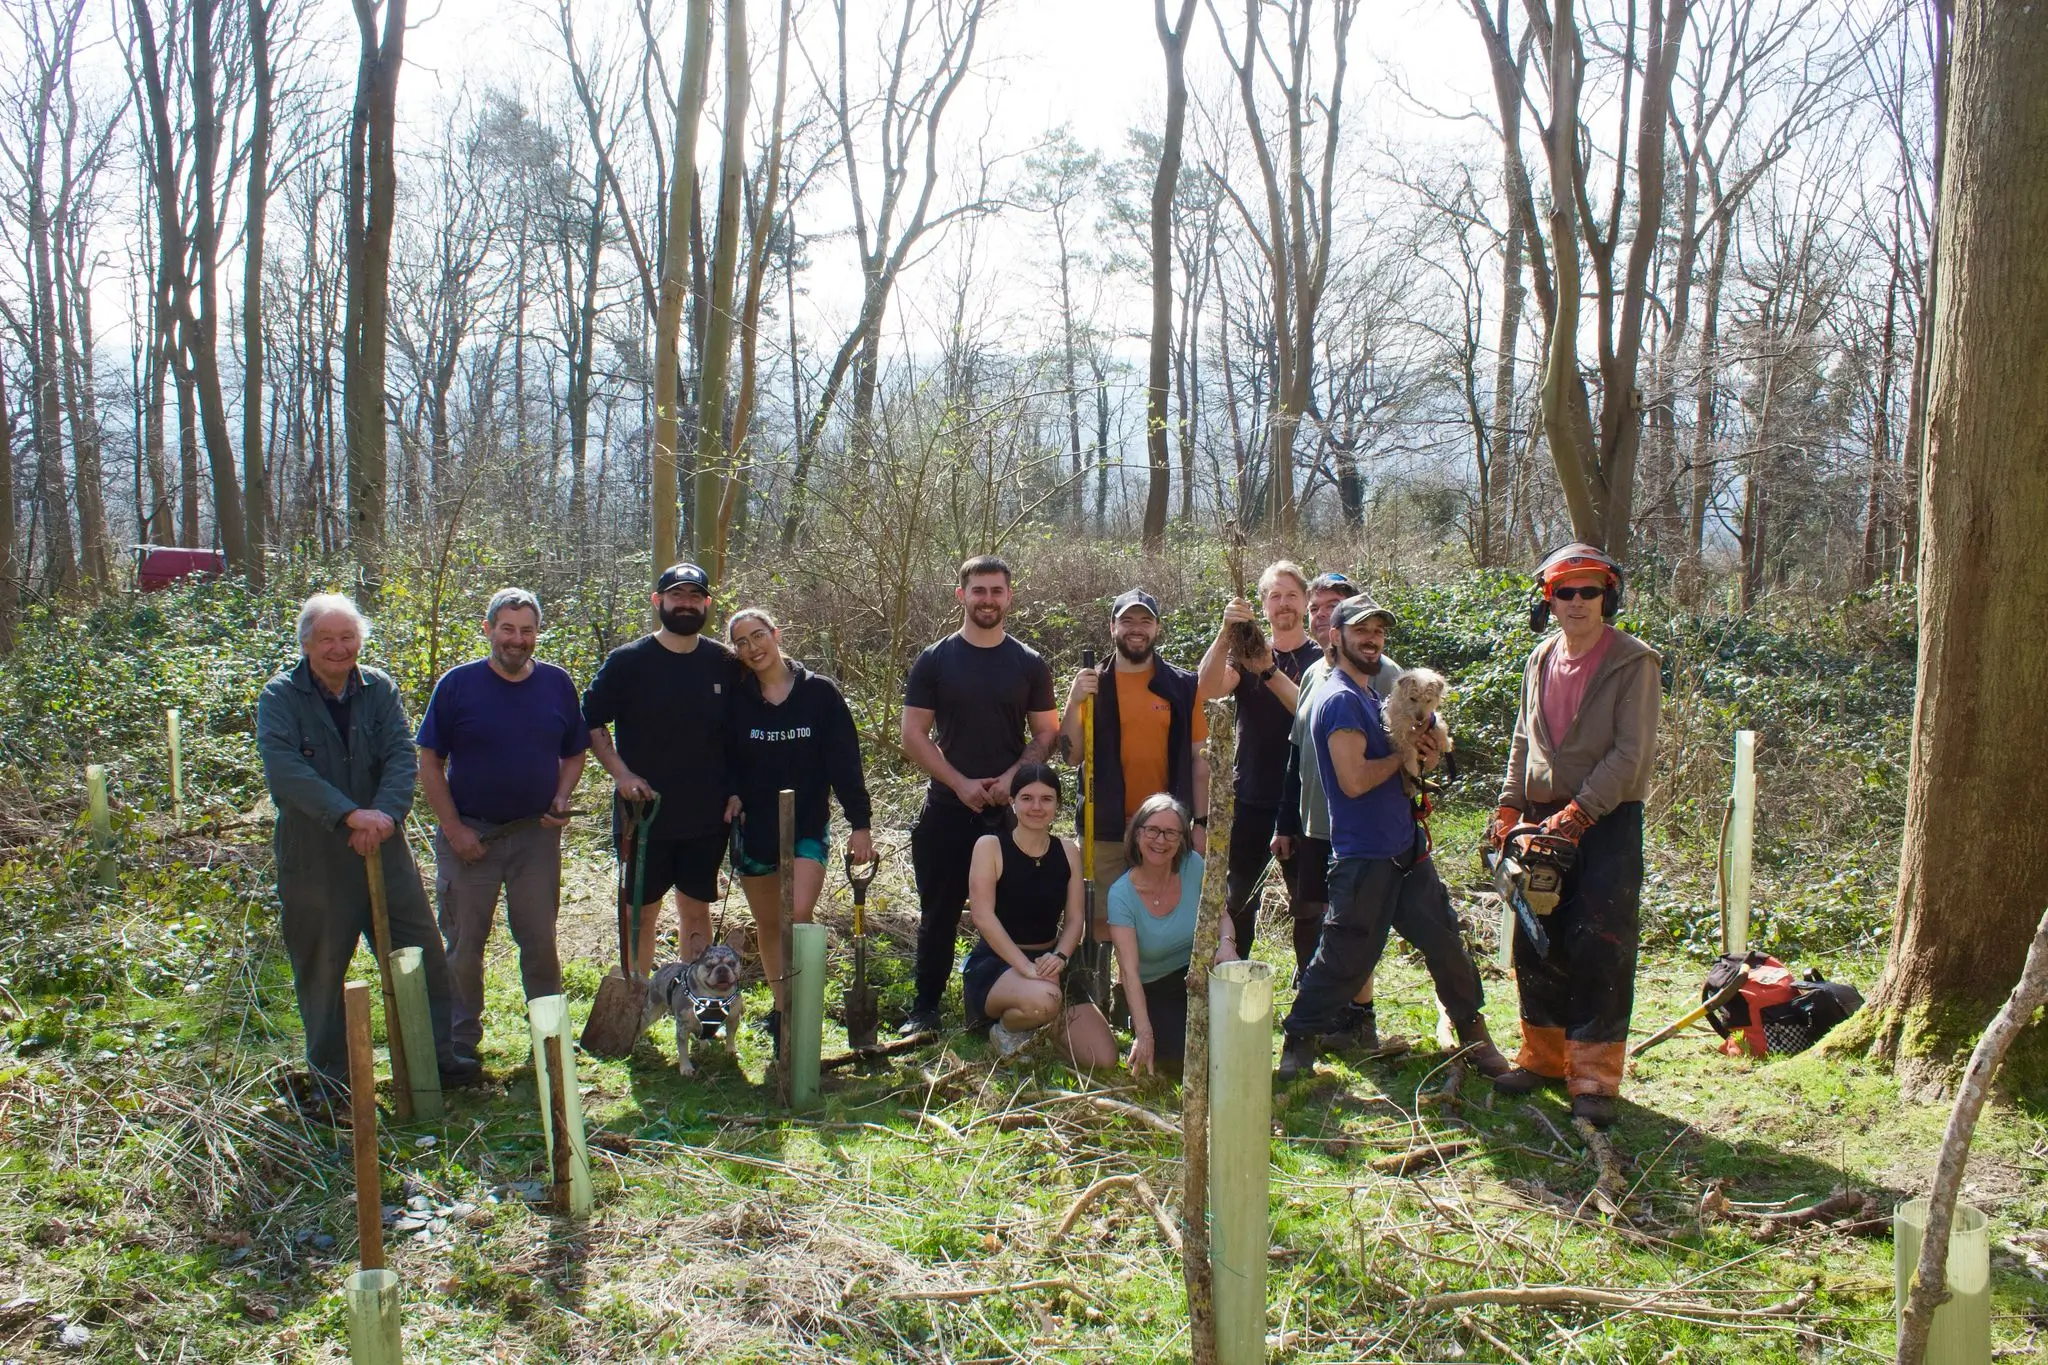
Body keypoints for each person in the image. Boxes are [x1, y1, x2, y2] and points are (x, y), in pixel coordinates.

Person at [1277, 598, 1509, 1081]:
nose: (1373, 639)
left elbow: (1406, 767)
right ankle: (1298, 1047)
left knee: (1445, 941)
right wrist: (1403, 754)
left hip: (1405, 849)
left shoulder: (1370, 695)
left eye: (1379, 631)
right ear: (1335, 636)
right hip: (1364, 856)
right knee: (1343, 956)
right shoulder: (1338, 697)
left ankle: (1473, 1032)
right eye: (1361, 630)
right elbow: (1355, 779)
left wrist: (1421, 756)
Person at [255, 593, 471, 1112]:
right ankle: (334, 1087)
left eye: (348, 637)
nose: (338, 648)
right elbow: (285, 771)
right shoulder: (280, 696)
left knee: (418, 954)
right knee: (323, 968)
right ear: (306, 643)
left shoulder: (379, 688)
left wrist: (385, 815)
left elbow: (402, 754)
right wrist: (351, 815)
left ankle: (434, 1063)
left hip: (385, 849)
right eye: (327, 638)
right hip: (316, 857)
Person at [1489, 544, 1660, 1128]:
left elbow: (1631, 754)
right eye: (1567, 591)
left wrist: (1580, 814)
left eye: (1590, 591)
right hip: (1541, 813)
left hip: (1606, 821)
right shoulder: (1539, 658)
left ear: (1608, 597)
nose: (1579, 602)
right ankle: (1542, 1057)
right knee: (1537, 940)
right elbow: (1522, 740)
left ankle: (1594, 1076)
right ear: (1550, 600)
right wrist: (1511, 805)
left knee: (1599, 942)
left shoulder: (1633, 662)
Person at [416, 588, 587, 1066]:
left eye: (527, 630)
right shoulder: (458, 685)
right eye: (507, 629)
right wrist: (453, 829)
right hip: (472, 835)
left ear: (537, 634)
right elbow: (430, 761)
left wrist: (560, 797)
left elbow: (574, 752)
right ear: (488, 630)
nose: (517, 639)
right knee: (464, 944)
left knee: (539, 940)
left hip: (535, 834)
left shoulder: (556, 684)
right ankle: (460, 1045)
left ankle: (549, 1042)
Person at [899, 555, 1060, 1034]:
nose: (987, 599)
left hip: (1012, 816)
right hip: (949, 809)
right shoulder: (935, 660)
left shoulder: (1029, 663)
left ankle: (999, 1001)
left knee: (1012, 913)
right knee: (939, 914)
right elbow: (913, 734)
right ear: (961, 596)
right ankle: (925, 1010)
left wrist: (1013, 779)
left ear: (1009, 597)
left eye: (996, 591)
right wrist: (960, 783)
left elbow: (1046, 734)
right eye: (978, 590)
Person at [582, 563, 744, 974]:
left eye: (695, 596)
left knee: (696, 910)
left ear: (707, 604)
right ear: (659, 601)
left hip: (706, 817)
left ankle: (700, 1005)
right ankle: (635, 1003)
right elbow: (591, 720)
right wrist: (621, 775)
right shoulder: (628, 662)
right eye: (677, 595)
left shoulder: (724, 663)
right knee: (639, 914)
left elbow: (743, 733)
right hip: (643, 815)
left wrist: (737, 788)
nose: (686, 604)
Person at [725, 608, 876, 1046]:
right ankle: (781, 1011)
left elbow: (846, 762)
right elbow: (724, 756)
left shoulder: (820, 694)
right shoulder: (737, 699)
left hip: (807, 824)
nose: (753, 648)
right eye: (741, 642)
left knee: (795, 916)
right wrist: (731, 793)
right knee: (769, 924)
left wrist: (860, 823)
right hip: (755, 830)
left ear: (776, 634)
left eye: (758, 636)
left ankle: (805, 1009)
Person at [1274, 573, 1398, 1041]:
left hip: (1360, 827)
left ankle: (1358, 1018)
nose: (1322, 615)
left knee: (1355, 925)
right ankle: (1324, 1012)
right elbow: (1297, 754)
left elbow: (1408, 743)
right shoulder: (1312, 674)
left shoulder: (1384, 674)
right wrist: (1286, 820)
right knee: (1317, 918)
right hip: (1313, 824)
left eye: (1333, 607)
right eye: (1317, 608)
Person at [1195, 560, 1322, 955]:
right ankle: (1235, 977)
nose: (1283, 604)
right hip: (1249, 795)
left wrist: (1268, 671)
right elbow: (1207, 688)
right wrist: (1225, 633)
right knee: (1240, 899)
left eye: (1291, 595)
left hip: (1305, 802)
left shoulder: (1321, 659)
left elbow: (1310, 713)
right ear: (1263, 606)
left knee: (1310, 905)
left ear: (1305, 602)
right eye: (1274, 596)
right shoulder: (1246, 654)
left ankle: (1309, 996)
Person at [1055, 587, 1208, 903]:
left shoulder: (1182, 686)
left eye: (1145, 620)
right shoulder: (1093, 685)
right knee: (1100, 922)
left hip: (1164, 831)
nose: (1136, 628)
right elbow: (1071, 756)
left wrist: (1201, 823)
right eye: (1127, 620)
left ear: (1157, 628)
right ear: (1112, 627)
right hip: (1105, 828)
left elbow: (1199, 760)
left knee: (1159, 921)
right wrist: (1074, 699)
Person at [960, 764, 1117, 1066]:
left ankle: (1040, 1023)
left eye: (1046, 799)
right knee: (1045, 998)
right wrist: (1026, 968)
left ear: (1058, 804)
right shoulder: (990, 847)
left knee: (1103, 1058)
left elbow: (1074, 920)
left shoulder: (1068, 850)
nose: (1036, 806)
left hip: (1051, 962)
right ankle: (1006, 1030)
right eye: (1027, 798)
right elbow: (982, 916)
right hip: (999, 963)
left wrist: (1058, 957)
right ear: (1012, 802)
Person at [1106, 794, 1236, 1074]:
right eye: (1152, 830)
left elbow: (1222, 915)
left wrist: (1227, 945)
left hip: (1199, 973)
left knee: (1232, 1040)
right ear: (1137, 833)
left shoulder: (1195, 866)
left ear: (1182, 839)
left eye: (1171, 833)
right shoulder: (1121, 895)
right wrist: (1145, 1034)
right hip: (1153, 987)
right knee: (1183, 1059)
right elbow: (1128, 971)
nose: (1160, 840)